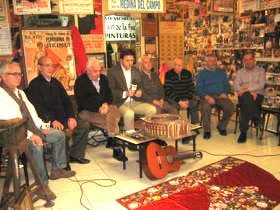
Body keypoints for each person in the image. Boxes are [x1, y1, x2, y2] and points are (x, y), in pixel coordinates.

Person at [0, 62, 76, 201]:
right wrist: (31, 135)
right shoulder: (1, 96)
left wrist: (42, 126)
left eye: (20, 74)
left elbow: (32, 114)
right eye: (14, 74)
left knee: (58, 135)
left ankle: (57, 169)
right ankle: (43, 185)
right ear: (3, 77)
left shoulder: (20, 92)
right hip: (14, 137)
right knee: (36, 146)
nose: (19, 77)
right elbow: (11, 122)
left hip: (30, 129)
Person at [26, 56, 90, 164]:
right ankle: (61, 162)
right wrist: (52, 121)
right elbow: (38, 109)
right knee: (61, 133)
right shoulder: (34, 85)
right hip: (47, 122)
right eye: (47, 65)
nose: (50, 68)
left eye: (52, 66)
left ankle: (76, 155)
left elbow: (67, 101)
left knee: (84, 125)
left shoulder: (56, 82)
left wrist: (71, 117)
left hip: (64, 118)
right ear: (39, 67)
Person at [74, 58, 127, 161]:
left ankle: (112, 140)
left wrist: (106, 104)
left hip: (104, 109)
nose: (98, 73)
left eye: (99, 70)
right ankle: (114, 144)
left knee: (113, 109)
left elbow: (109, 95)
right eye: (95, 71)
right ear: (88, 70)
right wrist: (98, 108)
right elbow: (82, 101)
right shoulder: (80, 81)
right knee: (113, 120)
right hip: (87, 111)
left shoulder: (103, 78)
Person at [107, 49, 157, 131]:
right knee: (129, 113)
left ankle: (146, 132)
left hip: (134, 101)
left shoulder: (135, 70)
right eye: (127, 60)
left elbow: (139, 85)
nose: (130, 63)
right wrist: (125, 93)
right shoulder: (113, 72)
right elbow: (110, 91)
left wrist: (139, 91)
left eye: (132, 60)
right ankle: (131, 137)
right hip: (120, 103)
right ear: (121, 60)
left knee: (152, 109)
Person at [196, 54, 234, 139]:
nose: (213, 62)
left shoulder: (221, 72)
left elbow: (227, 86)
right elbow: (198, 89)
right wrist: (207, 97)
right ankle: (207, 130)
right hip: (207, 96)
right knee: (205, 107)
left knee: (230, 107)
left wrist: (225, 92)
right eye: (210, 60)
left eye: (214, 60)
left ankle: (221, 126)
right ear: (206, 62)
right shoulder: (202, 74)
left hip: (220, 96)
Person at [234, 51, 265, 143]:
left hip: (258, 95)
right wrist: (247, 92)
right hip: (244, 95)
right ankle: (256, 118)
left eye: (250, 59)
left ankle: (243, 133)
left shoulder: (261, 70)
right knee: (246, 98)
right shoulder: (240, 72)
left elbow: (261, 85)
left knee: (244, 105)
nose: (248, 62)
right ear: (243, 61)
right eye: (245, 60)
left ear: (254, 60)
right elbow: (236, 86)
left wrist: (248, 90)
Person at [164, 58, 199, 124]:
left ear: (183, 66)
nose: (177, 67)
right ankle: (176, 125)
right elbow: (168, 91)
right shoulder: (168, 74)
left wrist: (187, 100)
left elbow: (191, 88)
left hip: (186, 97)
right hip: (174, 98)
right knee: (174, 106)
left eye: (179, 65)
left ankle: (194, 125)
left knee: (193, 103)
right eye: (175, 65)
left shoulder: (187, 73)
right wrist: (179, 101)